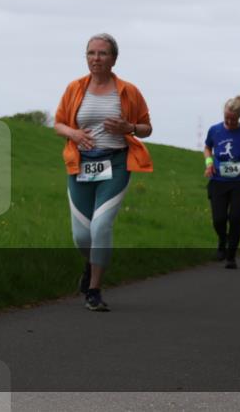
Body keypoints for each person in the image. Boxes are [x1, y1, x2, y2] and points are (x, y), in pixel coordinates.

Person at [54, 33, 153, 311]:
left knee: (101, 226)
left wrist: (129, 128)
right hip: (81, 165)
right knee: (81, 236)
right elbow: (59, 123)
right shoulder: (75, 88)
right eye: (91, 53)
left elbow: (146, 127)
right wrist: (73, 132)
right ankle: (90, 264)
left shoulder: (128, 91)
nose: (96, 59)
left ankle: (95, 289)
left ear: (114, 58)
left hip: (116, 164)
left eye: (102, 53)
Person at [203, 95, 240, 269]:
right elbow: (207, 148)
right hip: (218, 180)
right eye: (226, 118)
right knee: (218, 219)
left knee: (235, 218)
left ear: (239, 117)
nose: (229, 122)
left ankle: (231, 256)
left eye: (233, 119)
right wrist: (208, 163)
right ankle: (223, 240)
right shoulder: (214, 130)